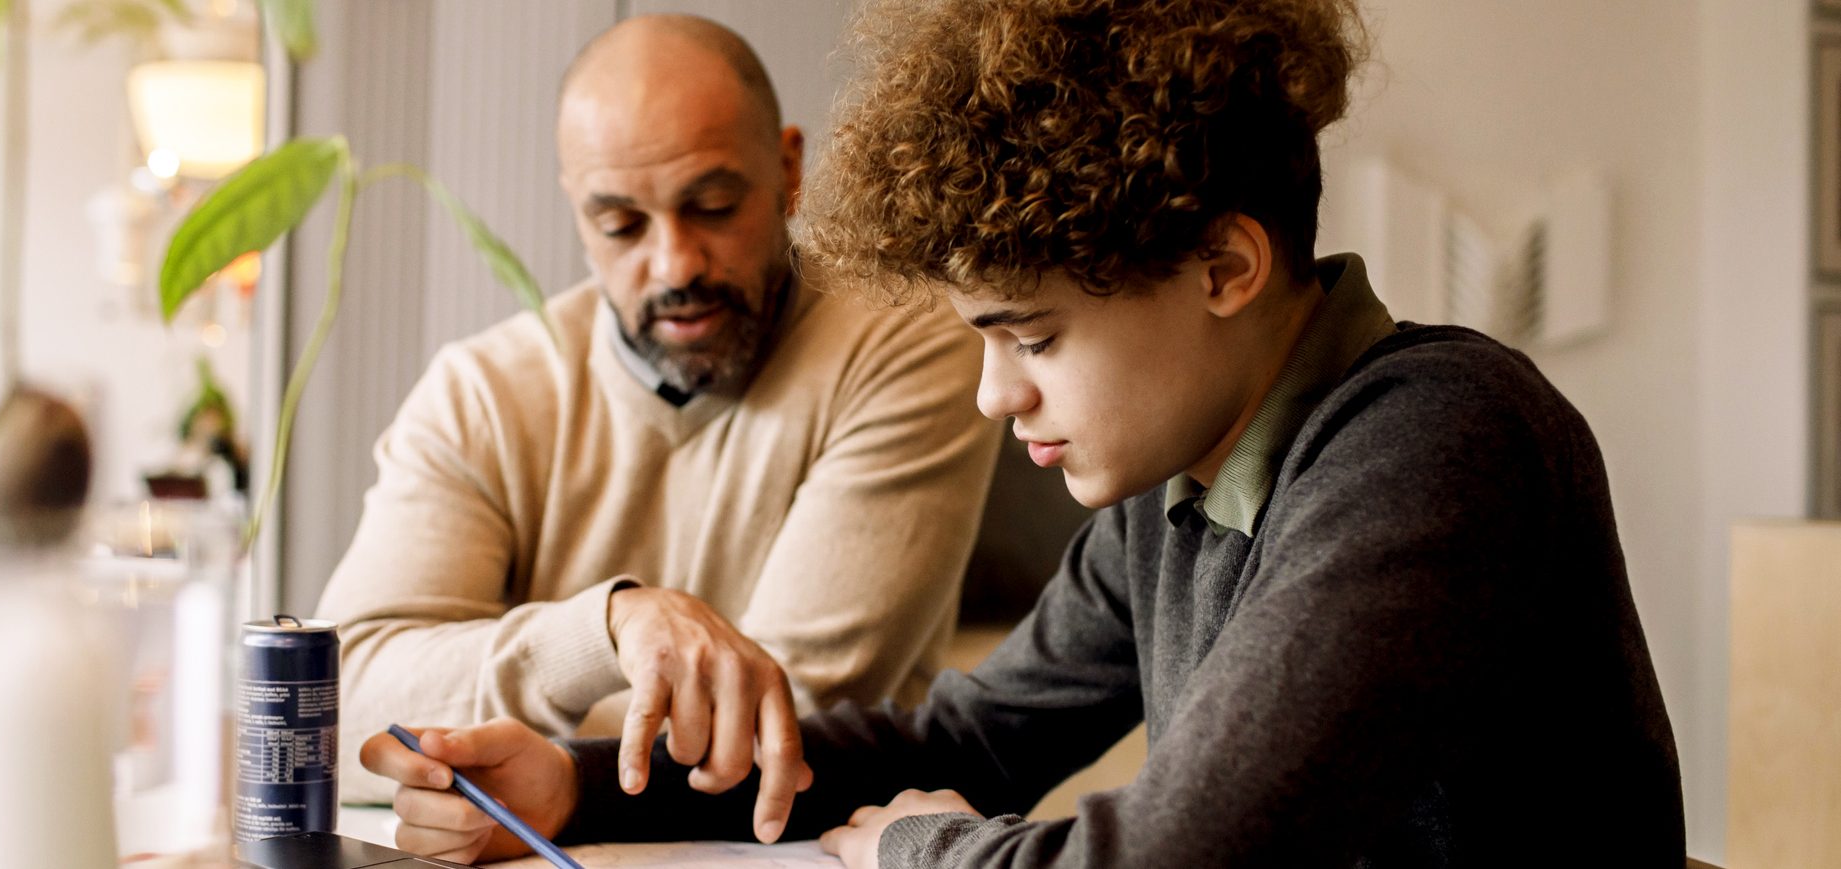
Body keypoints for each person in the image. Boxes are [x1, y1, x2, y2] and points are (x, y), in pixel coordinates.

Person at [356, 0, 1688, 865]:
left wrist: (906, 855)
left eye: (1031, 337)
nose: (994, 395)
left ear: (1224, 266)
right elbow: (962, 744)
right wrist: (573, 785)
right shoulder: (1168, 498)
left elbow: (1177, 857)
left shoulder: (1440, 442)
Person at [315, 14, 1001, 806]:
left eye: (712, 205)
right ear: (577, 209)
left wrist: (506, 742)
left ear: (789, 169)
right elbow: (337, 701)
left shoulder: (905, 340)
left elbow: (790, 716)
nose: (674, 263)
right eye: (621, 225)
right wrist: (603, 631)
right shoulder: (480, 394)